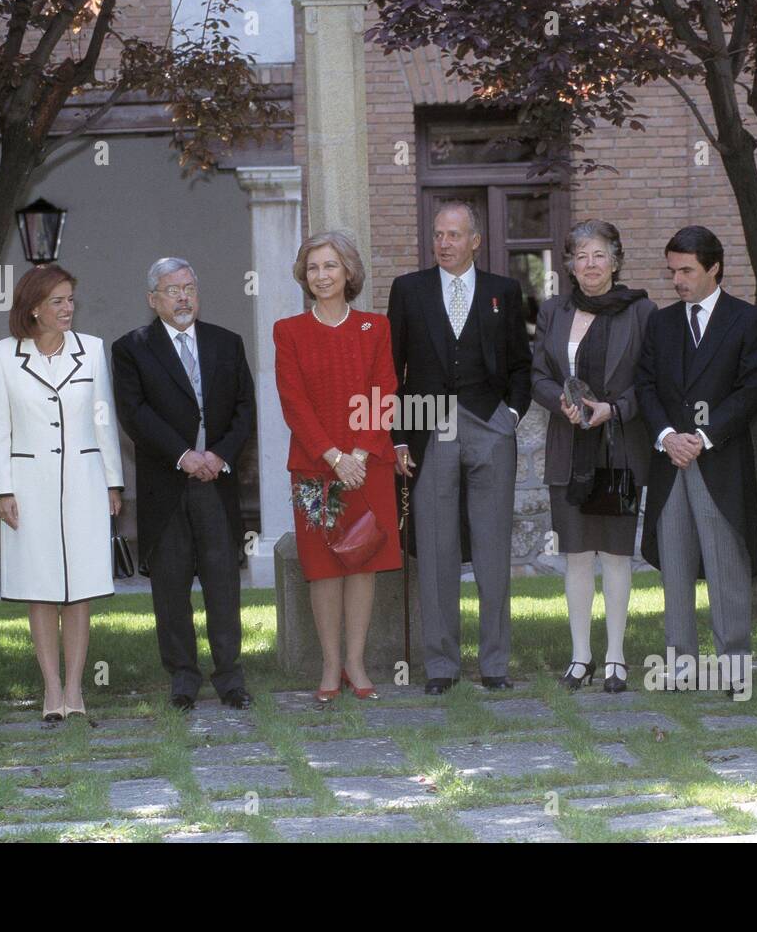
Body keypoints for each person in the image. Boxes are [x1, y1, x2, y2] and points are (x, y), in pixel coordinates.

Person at [387, 201, 532, 694]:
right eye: (437, 234)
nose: (443, 243)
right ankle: (441, 667)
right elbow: (392, 368)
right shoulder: (408, 290)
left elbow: (521, 364)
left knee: (492, 548)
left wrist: (511, 416)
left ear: (475, 241)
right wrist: (399, 435)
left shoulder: (503, 291)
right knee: (435, 549)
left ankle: (495, 663)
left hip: (489, 422)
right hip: (428, 426)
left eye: (453, 235)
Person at [111, 258, 255, 713]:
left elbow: (244, 408)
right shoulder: (132, 349)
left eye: (189, 287)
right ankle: (183, 681)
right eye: (172, 290)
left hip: (216, 483)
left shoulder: (227, 343)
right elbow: (135, 413)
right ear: (152, 299)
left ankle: (230, 679)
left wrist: (218, 455)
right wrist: (183, 455)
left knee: (223, 585)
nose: (183, 297)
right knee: (171, 589)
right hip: (166, 487)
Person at [635, 227, 757, 696]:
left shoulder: (749, 321)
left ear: (714, 268)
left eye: (687, 270)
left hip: (720, 462)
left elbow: (752, 389)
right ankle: (680, 667)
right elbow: (645, 385)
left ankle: (734, 669)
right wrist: (667, 436)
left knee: (726, 569)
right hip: (670, 463)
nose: (677, 280)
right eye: (672, 271)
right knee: (675, 570)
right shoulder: (661, 323)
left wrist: (703, 437)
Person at [0, 264, 124, 721]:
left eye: (70, 300)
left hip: (85, 483)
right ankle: (51, 690)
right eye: (57, 301)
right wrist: (2, 489)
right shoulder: (3, 355)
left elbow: (103, 419)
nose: (67, 309)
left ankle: (76, 690)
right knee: (40, 588)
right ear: (33, 309)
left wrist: (113, 481)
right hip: (28, 488)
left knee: (79, 589)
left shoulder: (92, 349)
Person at [275, 232, 402, 702]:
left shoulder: (375, 328)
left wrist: (360, 455)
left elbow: (384, 391)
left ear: (348, 272)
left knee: (363, 560)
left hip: (369, 466)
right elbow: (294, 402)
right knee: (323, 567)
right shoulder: (289, 331)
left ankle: (356, 662)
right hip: (314, 469)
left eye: (330, 266)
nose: (321, 275)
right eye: (313, 268)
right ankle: (330, 665)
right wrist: (333, 457)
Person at [531, 220, 655, 693]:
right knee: (578, 555)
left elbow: (650, 379)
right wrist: (559, 402)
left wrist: (615, 409)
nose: (590, 264)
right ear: (569, 265)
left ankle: (616, 658)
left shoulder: (641, 311)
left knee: (617, 555)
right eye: (581, 256)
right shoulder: (553, 311)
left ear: (616, 260)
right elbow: (538, 375)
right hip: (570, 449)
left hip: (618, 448)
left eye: (599, 255)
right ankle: (580, 657)